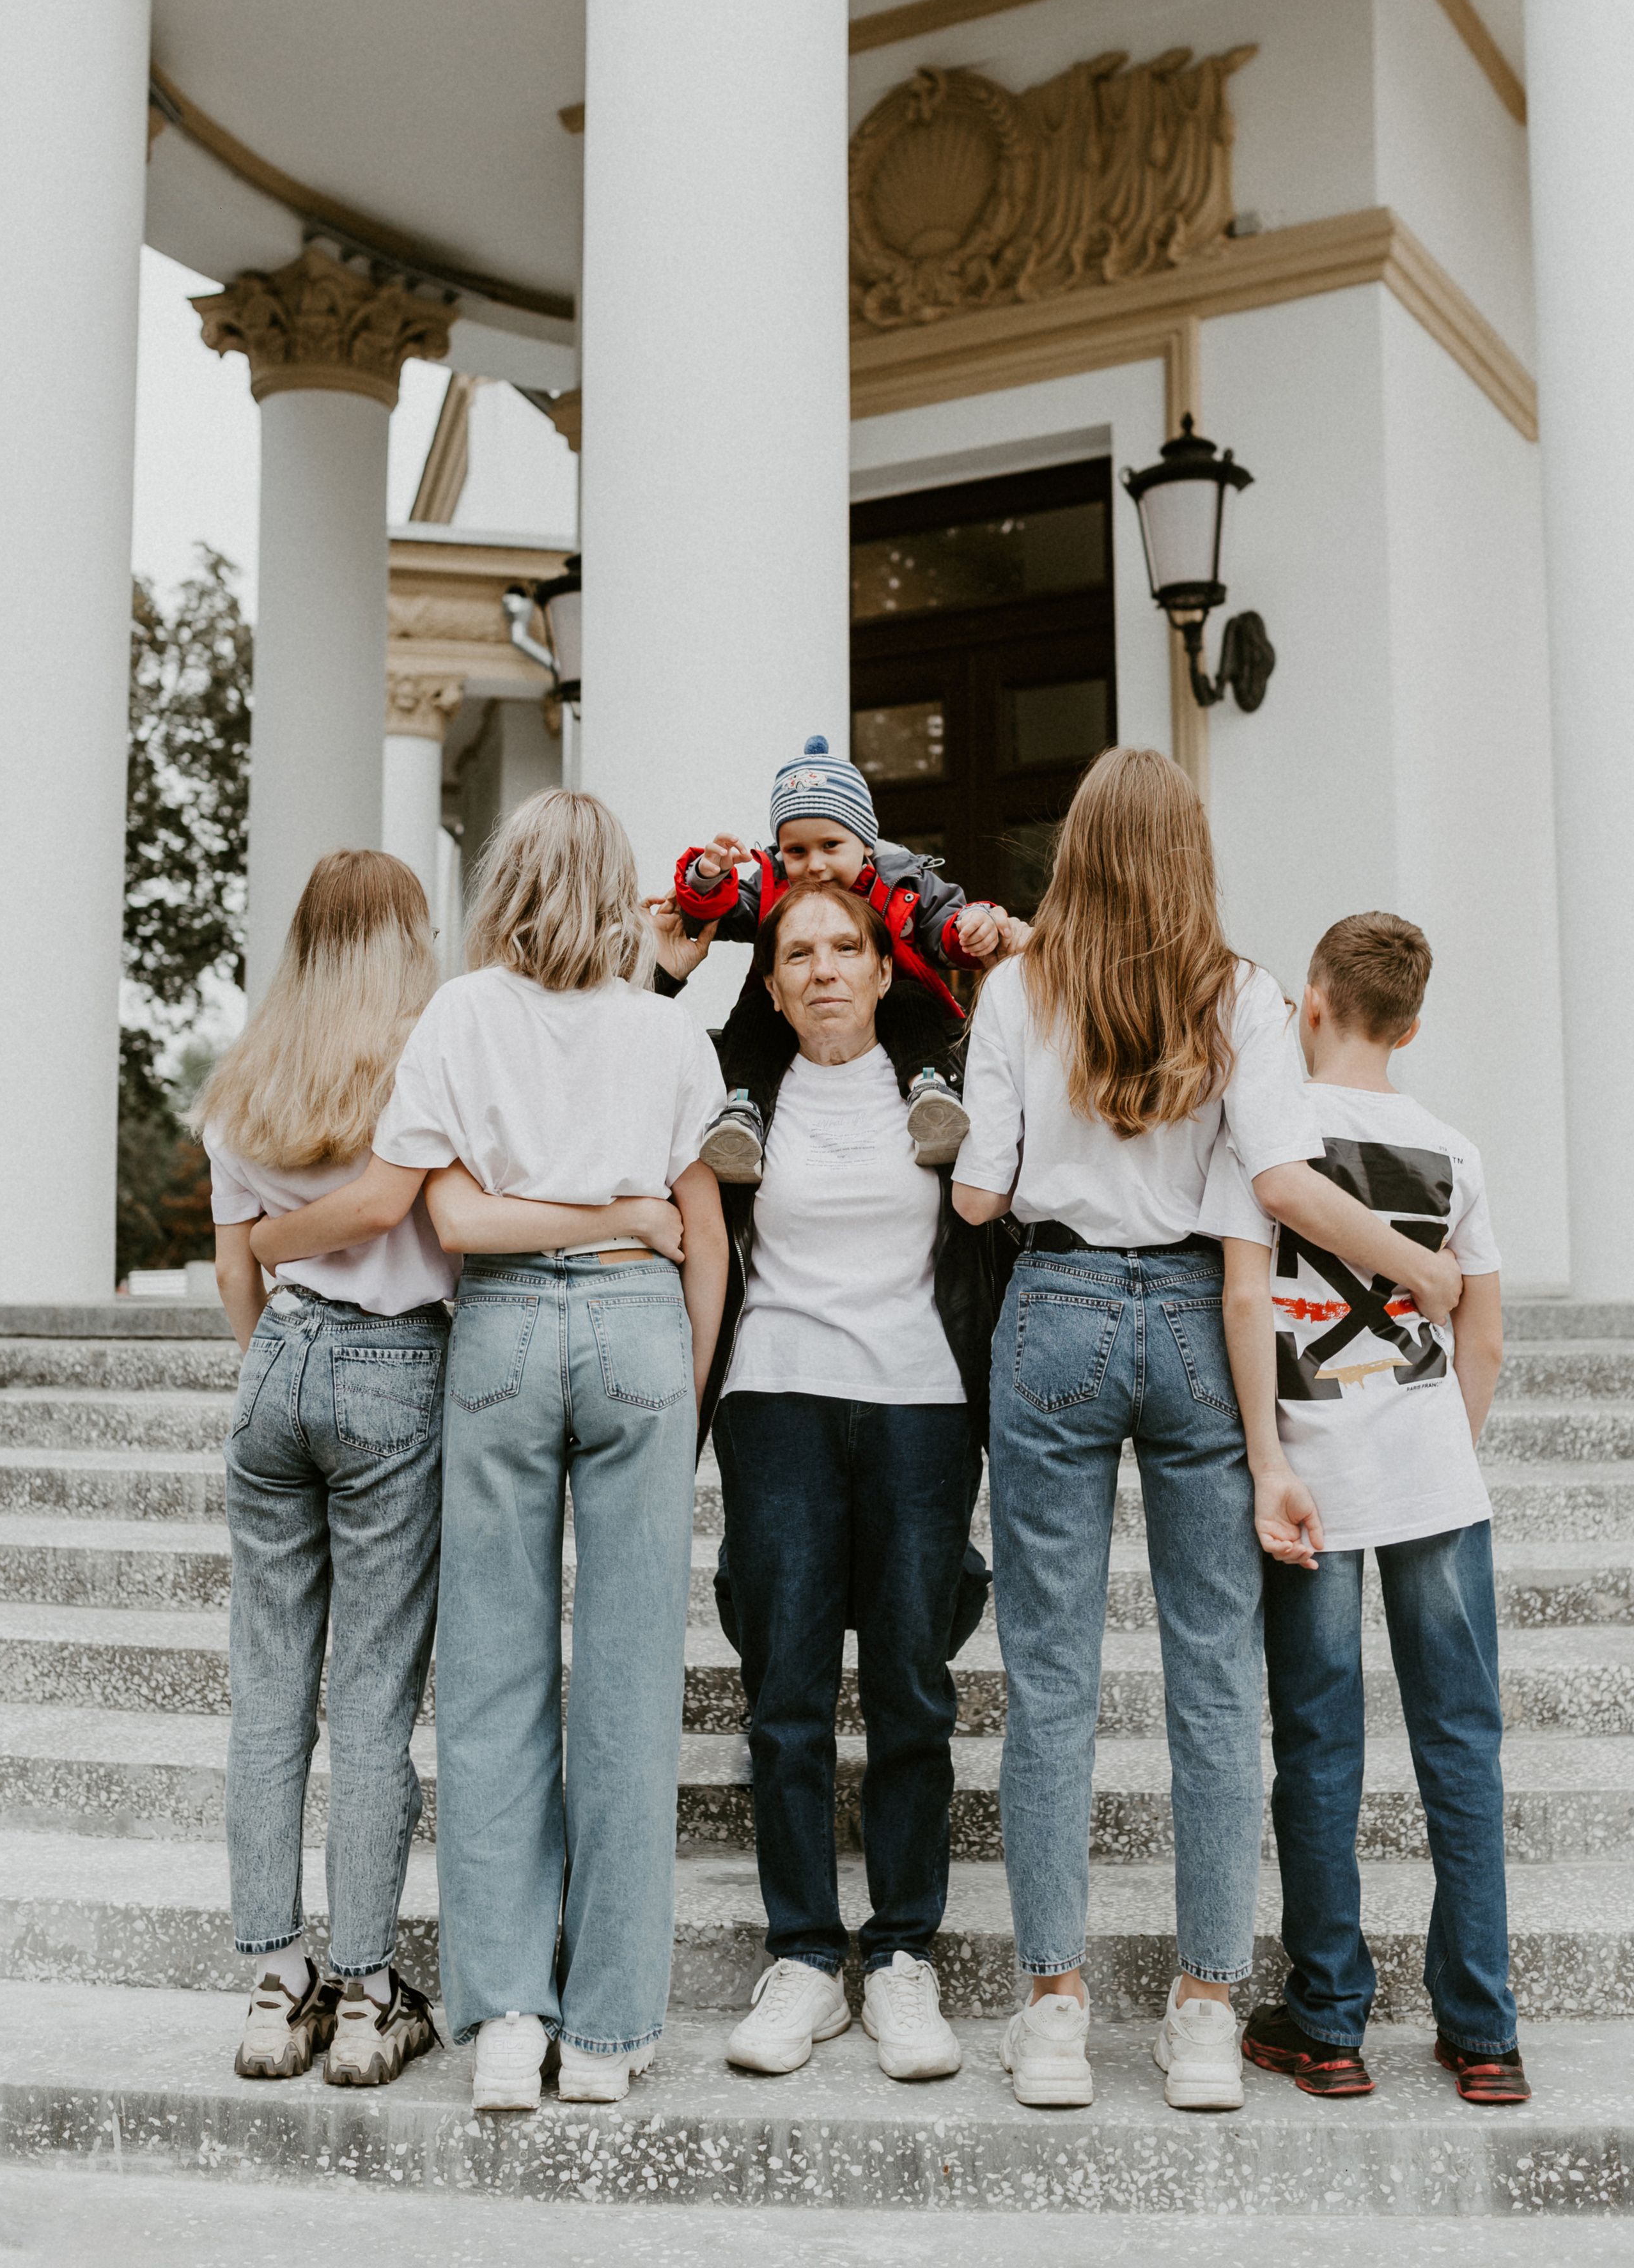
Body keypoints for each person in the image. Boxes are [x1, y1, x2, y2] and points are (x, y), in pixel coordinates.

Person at [951, 749, 1468, 2115]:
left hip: (1056, 1310)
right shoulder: (1241, 994)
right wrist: (1421, 1267)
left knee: (1048, 1678)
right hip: (1195, 1317)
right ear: (1190, 853)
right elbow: (1282, 1184)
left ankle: (1054, 2012)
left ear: (1074, 847)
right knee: (1215, 1680)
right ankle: (1200, 2013)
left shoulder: (1016, 991)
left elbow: (981, 1196)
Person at [256, 790, 728, 2109]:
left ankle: (509, 2017)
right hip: (639, 1329)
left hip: (506, 1337)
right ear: (619, 891)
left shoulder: (459, 1015)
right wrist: (681, 1386)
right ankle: (610, 2031)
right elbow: (700, 1234)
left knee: (491, 1684)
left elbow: (454, 1223)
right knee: (628, 1690)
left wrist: (564, 1219)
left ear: (507, 886)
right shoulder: (667, 1034)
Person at [1202, 911, 1529, 2105]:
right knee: (1462, 1746)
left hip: (1315, 1482)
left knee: (1318, 1744)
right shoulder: (1454, 1149)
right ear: (1412, 1027)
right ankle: (1484, 2035)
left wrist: (1263, 1455)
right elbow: (1482, 1334)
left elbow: (1247, 1302)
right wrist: (1440, 1449)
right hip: (1433, 1475)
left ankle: (1329, 2023)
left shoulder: (1269, 1127)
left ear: (1312, 1005)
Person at [704, 882, 997, 2084]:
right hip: (775, 1397)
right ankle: (807, 1958)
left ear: (884, 971)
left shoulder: (946, 1086)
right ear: (772, 986)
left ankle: (905, 1952)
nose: (823, 968)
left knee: (912, 1687)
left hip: (923, 1404)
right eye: (798, 954)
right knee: (787, 1689)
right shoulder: (736, 1096)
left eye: (845, 949)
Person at [198, 850, 452, 2090]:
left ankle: (272, 1983)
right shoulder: (424, 1060)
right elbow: (434, 1229)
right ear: (406, 939)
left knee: (267, 1694)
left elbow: (234, 1266)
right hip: (394, 1370)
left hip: (277, 1363)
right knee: (370, 1700)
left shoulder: (247, 1074)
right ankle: (363, 1994)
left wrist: (280, 1370)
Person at [673, 735, 1027, 1181]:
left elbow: (944, 925)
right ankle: (742, 1112)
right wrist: (707, 878)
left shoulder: (904, 882)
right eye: (796, 851)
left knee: (911, 1002)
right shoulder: (771, 887)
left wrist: (971, 928)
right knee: (753, 1016)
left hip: (894, 1002)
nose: (814, 865)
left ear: (865, 844)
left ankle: (930, 1093)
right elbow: (721, 913)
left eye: (830, 846)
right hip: (789, 1015)